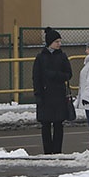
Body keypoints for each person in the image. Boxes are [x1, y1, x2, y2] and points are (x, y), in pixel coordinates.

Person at [32, 26, 73, 154]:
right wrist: (38, 95)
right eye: (57, 42)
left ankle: (57, 151)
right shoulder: (40, 57)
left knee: (58, 124)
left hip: (59, 95)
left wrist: (55, 75)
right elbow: (36, 77)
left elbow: (69, 74)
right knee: (45, 125)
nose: (59, 44)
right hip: (45, 96)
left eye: (60, 41)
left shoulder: (62, 56)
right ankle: (47, 152)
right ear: (50, 42)